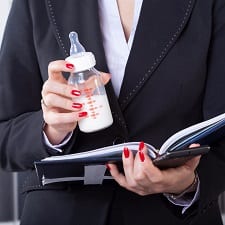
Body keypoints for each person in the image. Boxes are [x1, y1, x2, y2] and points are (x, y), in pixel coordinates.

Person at [0, 0, 225, 224]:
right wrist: (52, 131)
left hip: (170, 216)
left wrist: (188, 185)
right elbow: (5, 136)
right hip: (60, 215)